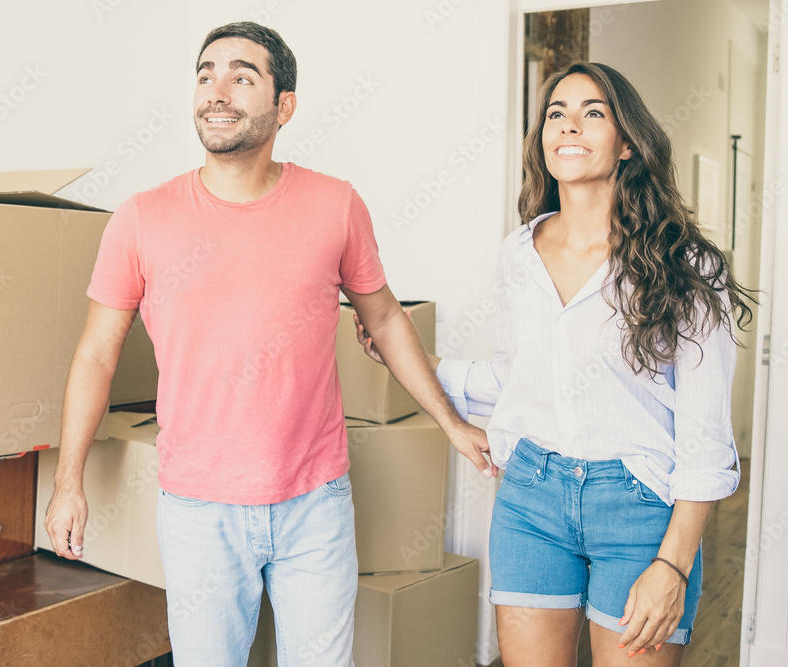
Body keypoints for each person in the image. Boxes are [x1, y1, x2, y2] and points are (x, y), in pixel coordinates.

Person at [43, 21, 494, 667]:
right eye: (205, 74)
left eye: (241, 76)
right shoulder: (141, 218)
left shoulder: (335, 205)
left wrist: (450, 421)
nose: (216, 91)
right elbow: (96, 352)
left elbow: (388, 319)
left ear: (284, 105)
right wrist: (68, 482)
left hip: (315, 501)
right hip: (198, 509)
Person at [356, 62, 755, 666]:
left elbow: (704, 442)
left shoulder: (688, 269)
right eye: (555, 113)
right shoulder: (519, 253)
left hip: (639, 511)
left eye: (593, 112)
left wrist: (672, 564)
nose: (569, 125)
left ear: (627, 143)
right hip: (530, 502)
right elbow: (516, 382)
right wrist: (411, 356)